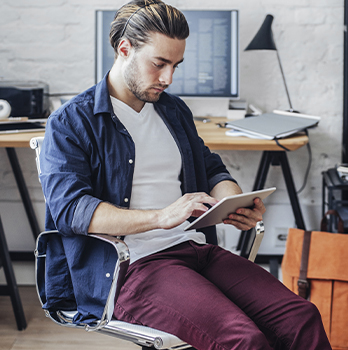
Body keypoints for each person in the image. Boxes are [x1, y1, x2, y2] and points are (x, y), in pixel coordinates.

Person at [39, 0, 332, 349]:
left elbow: (209, 168)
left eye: (176, 65)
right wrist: (163, 217)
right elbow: (73, 211)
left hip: (195, 249)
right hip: (133, 268)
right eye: (159, 64)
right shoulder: (72, 122)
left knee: (301, 318)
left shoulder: (173, 110)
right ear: (124, 49)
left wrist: (231, 202)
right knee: (244, 339)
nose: (168, 78)